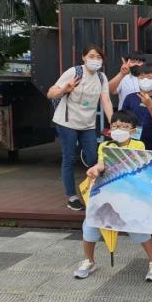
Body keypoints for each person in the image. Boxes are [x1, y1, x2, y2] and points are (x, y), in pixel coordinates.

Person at [73, 110, 152, 281]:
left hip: (131, 197)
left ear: (133, 130)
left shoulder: (138, 145)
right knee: (90, 226)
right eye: (115, 126)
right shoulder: (105, 146)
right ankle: (89, 261)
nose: (118, 129)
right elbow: (102, 163)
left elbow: (134, 163)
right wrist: (95, 169)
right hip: (105, 196)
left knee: (139, 229)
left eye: (124, 126)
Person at [47, 44, 113, 211]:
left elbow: (106, 100)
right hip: (67, 122)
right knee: (69, 158)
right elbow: (50, 93)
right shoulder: (74, 72)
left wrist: (113, 123)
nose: (95, 60)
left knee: (93, 159)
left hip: (88, 124)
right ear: (83, 57)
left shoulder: (101, 77)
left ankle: (94, 192)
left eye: (98, 57)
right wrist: (64, 89)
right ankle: (72, 197)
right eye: (91, 56)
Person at [121, 63, 152, 151]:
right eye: (142, 78)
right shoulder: (130, 98)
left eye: (149, 77)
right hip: (131, 144)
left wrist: (150, 105)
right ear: (137, 79)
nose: (145, 80)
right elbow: (122, 121)